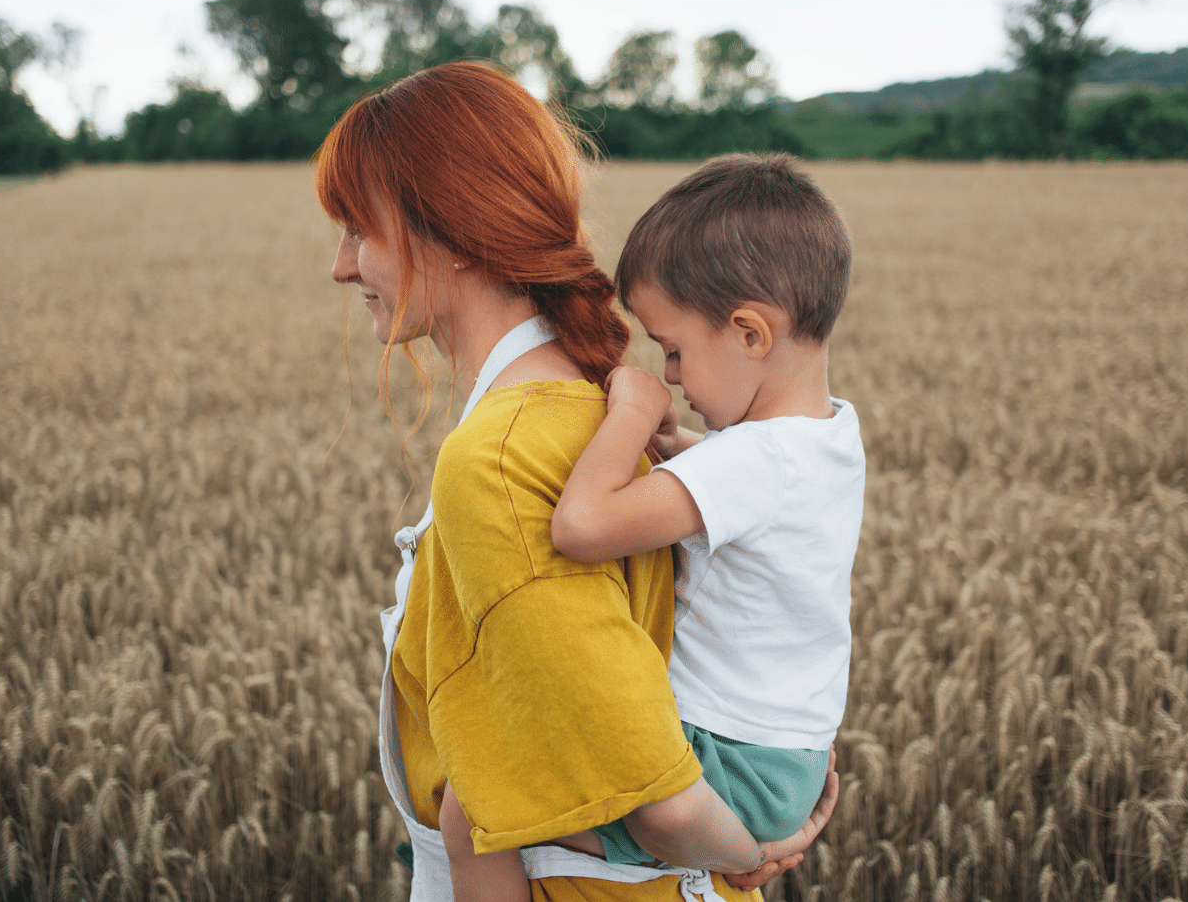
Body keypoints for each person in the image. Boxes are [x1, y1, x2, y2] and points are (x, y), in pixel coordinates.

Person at [314, 63, 836, 902]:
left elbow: (645, 779)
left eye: (356, 228)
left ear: (448, 232)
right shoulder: (590, 406)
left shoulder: (499, 456)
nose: (341, 266)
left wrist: (748, 853)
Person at [439, 153, 863, 902]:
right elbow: (748, 491)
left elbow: (582, 524)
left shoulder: (753, 463)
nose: (667, 373)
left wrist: (629, 414)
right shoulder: (825, 437)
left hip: (724, 763)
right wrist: (675, 449)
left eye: (672, 349)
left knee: (474, 807)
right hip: (782, 757)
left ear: (750, 333)